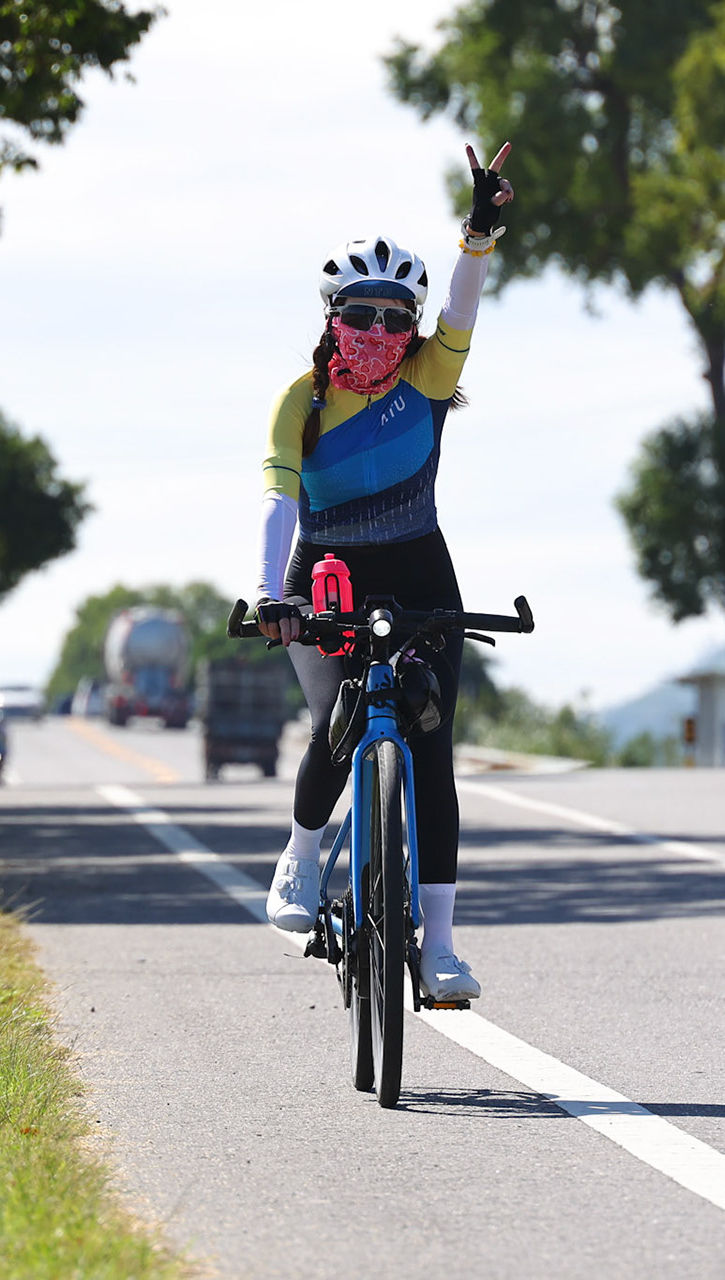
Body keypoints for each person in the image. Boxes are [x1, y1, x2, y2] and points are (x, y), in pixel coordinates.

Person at [255, 144, 515, 1004]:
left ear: (411, 325)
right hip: (322, 569)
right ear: (332, 318)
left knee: (431, 744)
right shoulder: (304, 400)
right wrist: (274, 597)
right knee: (339, 718)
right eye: (359, 314)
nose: (377, 332)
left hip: (417, 567)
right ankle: (297, 865)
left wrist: (476, 235)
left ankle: (438, 947)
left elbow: (464, 315)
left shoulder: (429, 379)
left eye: (394, 316)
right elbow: (279, 505)